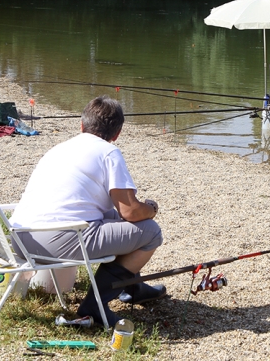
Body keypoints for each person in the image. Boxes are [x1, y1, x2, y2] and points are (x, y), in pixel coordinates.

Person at [9, 96, 165, 327]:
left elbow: (117, 214)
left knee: (114, 219)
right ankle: (95, 306)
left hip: (21, 238)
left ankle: (132, 286)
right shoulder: (109, 152)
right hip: (57, 241)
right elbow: (131, 211)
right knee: (150, 231)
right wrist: (151, 208)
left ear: (82, 126)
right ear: (117, 134)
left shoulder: (59, 148)